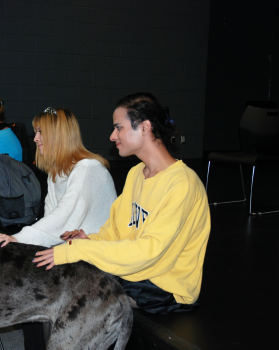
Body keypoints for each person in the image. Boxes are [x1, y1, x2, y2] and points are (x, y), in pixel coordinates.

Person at [33, 92, 211, 315]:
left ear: (144, 127)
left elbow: (147, 252)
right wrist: (90, 239)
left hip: (166, 286)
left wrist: (80, 250)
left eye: (119, 128)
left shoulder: (182, 184)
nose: (112, 136)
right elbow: (115, 231)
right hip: (135, 273)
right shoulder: (136, 174)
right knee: (61, 280)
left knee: (76, 296)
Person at [0, 107, 116, 248]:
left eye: (41, 132)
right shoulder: (57, 171)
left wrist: (18, 238)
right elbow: (51, 219)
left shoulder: (88, 168)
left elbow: (63, 218)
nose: (35, 138)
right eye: (36, 132)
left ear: (58, 135)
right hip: (75, 247)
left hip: (97, 252)